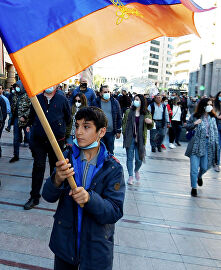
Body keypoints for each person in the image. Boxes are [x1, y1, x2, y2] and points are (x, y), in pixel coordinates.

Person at [42, 106, 125, 270]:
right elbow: (47, 195)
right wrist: (57, 179)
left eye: (86, 127)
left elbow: (114, 211)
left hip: (96, 247)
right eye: (77, 126)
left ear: (101, 132)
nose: (79, 132)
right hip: (65, 243)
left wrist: (89, 198)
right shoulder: (66, 157)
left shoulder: (112, 168)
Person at [24, 86, 71, 210]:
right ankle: (34, 197)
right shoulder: (37, 99)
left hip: (57, 141)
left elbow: (68, 118)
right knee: (38, 166)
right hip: (39, 140)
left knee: (55, 168)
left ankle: (54, 193)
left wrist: (63, 134)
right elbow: (32, 116)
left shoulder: (62, 99)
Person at [184, 98, 219, 197]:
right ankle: (194, 187)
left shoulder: (212, 117)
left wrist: (216, 145)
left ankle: (200, 176)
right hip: (196, 144)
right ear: (203, 106)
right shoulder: (195, 116)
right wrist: (195, 123)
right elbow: (187, 126)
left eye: (211, 104)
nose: (210, 106)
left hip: (208, 144)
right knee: (194, 168)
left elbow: (215, 132)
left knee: (204, 167)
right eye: (208, 104)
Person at [122, 94, 153, 185]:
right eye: (135, 99)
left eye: (138, 100)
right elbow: (124, 124)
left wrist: (150, 122)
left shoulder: (146, 113)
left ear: (142, 102)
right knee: (129, 158)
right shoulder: (128, 112)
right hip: (130, 138)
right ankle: (130, 176)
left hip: (140, 139)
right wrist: (125, 133)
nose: (136, 101)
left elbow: (150, 126)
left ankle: (136, 170)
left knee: (139, 159)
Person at [8, 81, 31, 163]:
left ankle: (34, 153)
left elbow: (31, 107)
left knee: (29, 138)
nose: (17, 88)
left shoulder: (28, 95)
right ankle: (16, 155)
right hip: (16, 120)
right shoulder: (15, 96)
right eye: (16, 86)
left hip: (26, 121)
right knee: (16, 139)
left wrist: (25, 116)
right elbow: (12, 106)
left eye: (18, 86)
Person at [95, 85, 122, 154]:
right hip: (99, 132)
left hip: (110, 132)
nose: (107, 93)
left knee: (110, 151)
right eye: (105, 92)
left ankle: (109, 164)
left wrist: (118, 130)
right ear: (100, 93)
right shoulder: (96, 102)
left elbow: (119, 117)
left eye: (108, 92)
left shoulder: (114, 102)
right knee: (99, 151)